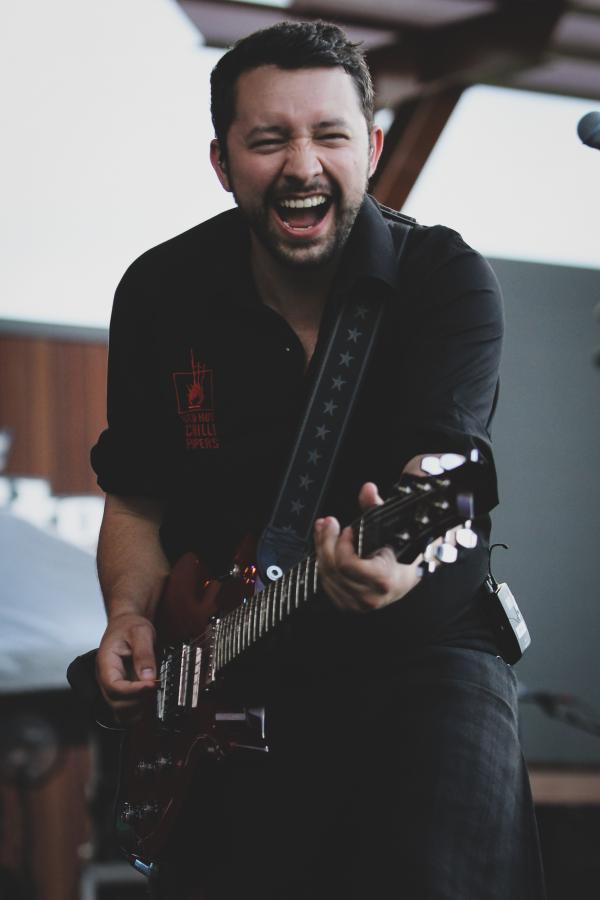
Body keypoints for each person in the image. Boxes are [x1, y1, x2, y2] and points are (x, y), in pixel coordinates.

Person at [91, 20, 545, 900]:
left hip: (423, 658)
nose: (303, 165)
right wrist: (128, 614)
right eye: (269, 140)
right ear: (223, 162)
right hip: (226, 679)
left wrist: (395, 564)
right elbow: (136, 502)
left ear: (371, 147)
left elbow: (440, 476)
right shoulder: (159, 292)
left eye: (330, 135)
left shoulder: (443, 279)